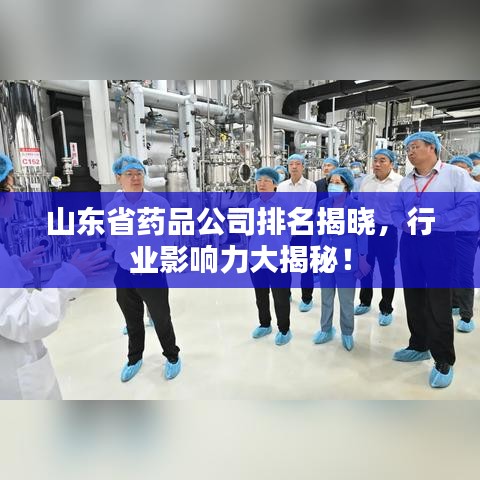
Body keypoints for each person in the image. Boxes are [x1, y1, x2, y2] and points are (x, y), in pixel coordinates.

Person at [0, 153, 108, 399]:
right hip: (14, 379)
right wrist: (69, 276)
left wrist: (16, 266)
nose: (15, 194)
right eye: (11, 186)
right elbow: (24, 320)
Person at [391, 132, 476, 388]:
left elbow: (470, 206)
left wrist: (437, 221)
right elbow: (396, 209)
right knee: (414, 296)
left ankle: (444, 359)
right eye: (407, 148)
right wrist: (402, 223)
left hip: (440, 241)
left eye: (415, 146)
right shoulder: (406, 181)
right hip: (410, 241)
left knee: (438, 300)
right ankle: (419, 345)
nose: (409, 152)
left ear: (432, 148)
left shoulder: (454, 174)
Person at [106, 155, 181, 382]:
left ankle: (172, 356)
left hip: (151, 272)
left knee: (161, 318)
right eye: (129, 174)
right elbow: (112, 240)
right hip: (125, 273)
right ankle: (134, 358)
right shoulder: (113, 208)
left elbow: (170, 237)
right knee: (132, 321)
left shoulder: (158, 204)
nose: (135, 178)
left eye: (139, 173)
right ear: (119, 178)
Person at [312, 168, 369, 351]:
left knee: (346, 300)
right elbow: (317, 230)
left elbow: (362, 234)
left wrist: (362, 259)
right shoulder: (323, 204)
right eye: (331, 182)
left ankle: (347, 332)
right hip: (326, 256)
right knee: (326, 297)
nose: (333, 186)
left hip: (347, 257)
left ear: (347, 186)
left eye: (338, 183)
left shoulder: (357, 206)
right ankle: (326, 329)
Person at [354, 149, 403, 326]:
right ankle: (365, 301)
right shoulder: (366, 180)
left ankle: (386, 307)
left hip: (387, 231)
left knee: (386, 270)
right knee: (365, 266)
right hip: (367, 228)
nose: (377, 164)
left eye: (382, 160)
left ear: (391, 163)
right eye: (375, 160)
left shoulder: (400, 182)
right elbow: (360, 204)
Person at [249, 167, 292, 346]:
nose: (262, 184)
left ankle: (284, 329)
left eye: (267, 180)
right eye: (259, 180)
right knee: (261, 296)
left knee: (280, 297)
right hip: (256, 259)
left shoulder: (285, 204)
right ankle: (265, 324)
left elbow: (291, 231)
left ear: (275, 184)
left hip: (278, 259)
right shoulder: (253, 205)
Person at [277, 154, 316, 312]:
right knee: (284, 265)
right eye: (291, 164)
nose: (294, 166)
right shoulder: (281, 186)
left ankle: (307, 298)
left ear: (303, 167)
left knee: (305, 266)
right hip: (284, 231)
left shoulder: (310, 186)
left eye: (297, 164)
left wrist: (293, 227)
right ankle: (285, 293)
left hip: (302, 231)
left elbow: (308, 210)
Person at [448, 155, 479, 333]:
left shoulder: (476, 188)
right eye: (455, 168)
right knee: (449, 269)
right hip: (446, 234)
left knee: (465, 273)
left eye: (462, 167)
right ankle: (454, 303)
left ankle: (466, 315)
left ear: (469, 170)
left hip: (467, 235)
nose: (458, 171)